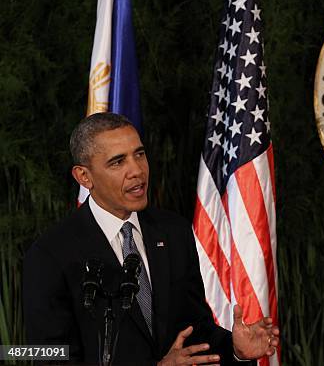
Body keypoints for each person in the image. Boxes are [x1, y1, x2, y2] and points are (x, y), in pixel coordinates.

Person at [23, 113, 279, 365]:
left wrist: (234, 349)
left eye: (139, 154)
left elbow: (194, 330)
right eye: (117, 162)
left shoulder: (173, 231)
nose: (137, 170)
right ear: (84, 176)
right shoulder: (50, 254)